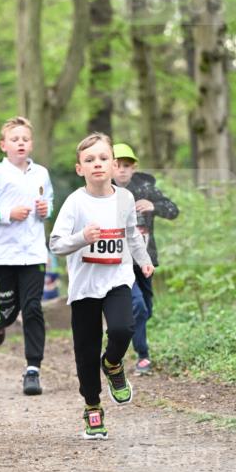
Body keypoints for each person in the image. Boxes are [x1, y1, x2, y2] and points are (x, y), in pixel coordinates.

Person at [50, 133, 154, 440]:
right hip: (84, 286)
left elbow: (131, 234)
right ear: (79, 168)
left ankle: (112, 363)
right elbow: (55, 244)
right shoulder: (75, 202)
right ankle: (92, 406)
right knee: (86, 348)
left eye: (103, 158)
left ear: (113, 164)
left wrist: (143, 260)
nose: (97, 164)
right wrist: (82, 237)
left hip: (117, 278)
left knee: (123, 328)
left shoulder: (125, 198)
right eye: (89, 160)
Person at [0, 115, 53, 396]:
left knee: (32, 308)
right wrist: (9, 213)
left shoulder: (41, 173)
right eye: (14, 139)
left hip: (33, 253)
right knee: (8, 313)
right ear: (3, 145)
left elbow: (49, 201)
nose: (20, 143)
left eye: (25, 139)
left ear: (31, 144)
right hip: (2, 255)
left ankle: (33, 369)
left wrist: (46, 210)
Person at [112, 143, 179, 375]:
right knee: (138, 306)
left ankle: (121, 327)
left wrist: (154, 206)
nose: (122, 170)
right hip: (119, 261)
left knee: (146, 309)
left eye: (127, 165)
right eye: (117, 165)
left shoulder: (145, 187)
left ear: (134, 167)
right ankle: (143, 355)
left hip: (145, 259)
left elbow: (173, 210)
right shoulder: (104, 191)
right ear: (110, 167)